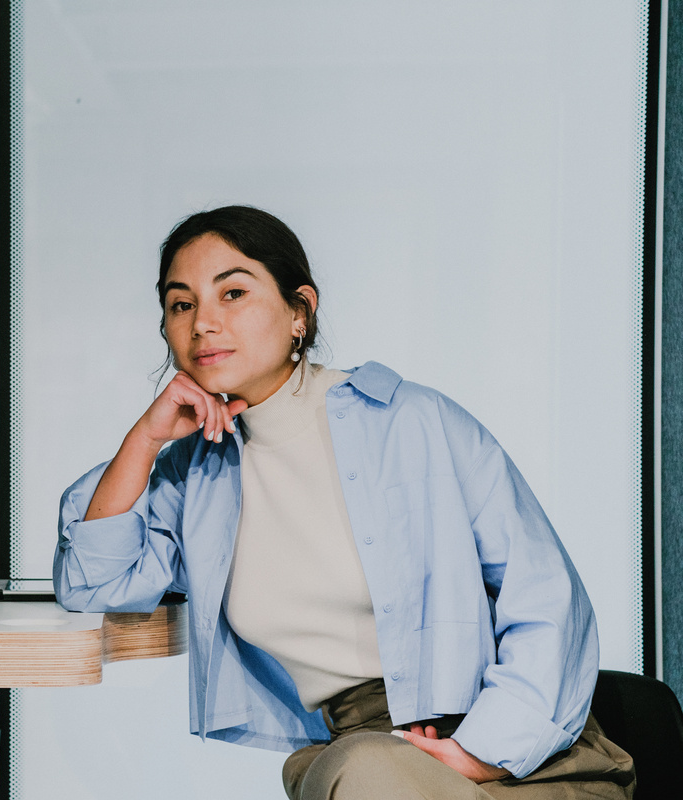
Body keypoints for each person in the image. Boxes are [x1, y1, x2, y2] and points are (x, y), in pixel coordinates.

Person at [52, 206, 636, 799]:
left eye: (232, 293)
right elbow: (92, 580)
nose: (204, 322)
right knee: (364, 772)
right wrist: (144, 440)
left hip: (525, 762)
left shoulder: (413, 421)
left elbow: (547, 600)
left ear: (298, 312)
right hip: (358, 759)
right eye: (182, 304)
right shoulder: (192, 477)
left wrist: (479, 754)